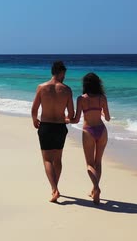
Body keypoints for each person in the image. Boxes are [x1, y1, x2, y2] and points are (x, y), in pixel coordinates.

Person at [31, 61, 74, 202]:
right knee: (57, 159)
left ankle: (54, 189)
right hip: (60, 127)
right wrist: (67, 119)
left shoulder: (41, 87)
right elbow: (71, 114)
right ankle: (56, 187)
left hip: (46, 127)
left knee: (47, 159)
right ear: (61, 72)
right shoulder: (67, 90)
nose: (65, 77)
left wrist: (34, 120)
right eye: (64, 74)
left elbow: (34, 108)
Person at [71, 72, 111, 205]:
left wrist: (65, 119)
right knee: (98, 162)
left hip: (88, 131)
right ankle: (94, 190)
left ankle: (96, 188)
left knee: (89, 164)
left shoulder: (81, 99)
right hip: (102, 130)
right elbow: (108, 118)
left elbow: (76, 119)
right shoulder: (102, 98)